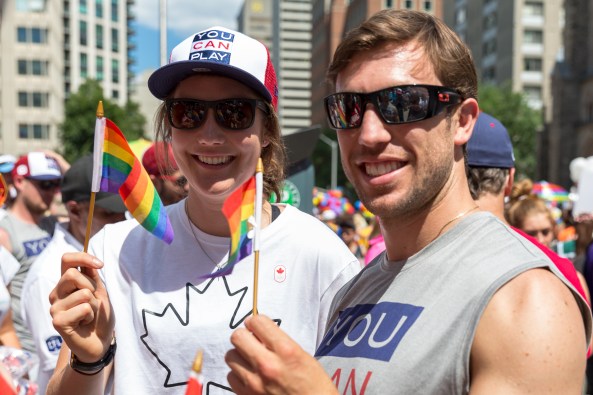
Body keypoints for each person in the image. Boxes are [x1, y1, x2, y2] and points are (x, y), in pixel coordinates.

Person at [225, 9, 592, 394]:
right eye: (348, 108)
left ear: (463, 121)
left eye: (403, 103)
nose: (368, 134)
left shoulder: (524, 298)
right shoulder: (357, 289)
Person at [46, 26, 360, 395]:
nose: (209, 135)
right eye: (189, 112)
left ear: (268, 130)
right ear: (170, 126)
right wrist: (89, 360)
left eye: (234, 112)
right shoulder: (114, 252)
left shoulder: (322, 257)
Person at [21, 155, 127, 395]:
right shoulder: (49, 276)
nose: (120, 221)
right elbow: (57, 366)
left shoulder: (112, 253)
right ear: (75, 211)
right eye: (109, 214)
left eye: (123, 213)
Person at [466, 111, 590, 303]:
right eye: (533, 232)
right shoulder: (563, 273)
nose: (540, 239)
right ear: (510, 180)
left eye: (545, 231)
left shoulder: (414, 257)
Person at [0, 151, 68, 355]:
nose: (52, 192)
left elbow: (88, 197)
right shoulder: (5, 231)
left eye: (56, 184)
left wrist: (61, 161)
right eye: (45, 184)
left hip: (63, 344)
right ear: (19, 181)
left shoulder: (56, 224)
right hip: (29, 350)